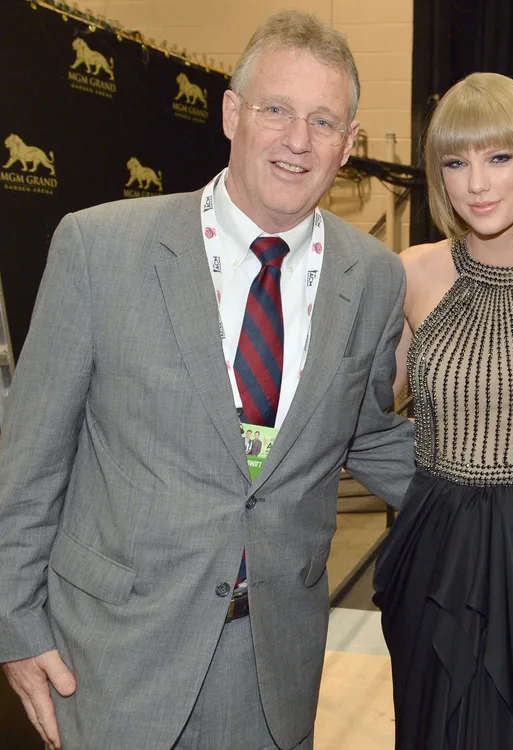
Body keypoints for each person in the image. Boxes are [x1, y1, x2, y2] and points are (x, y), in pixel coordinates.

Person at [0, 11, 414, 750]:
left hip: (270, 670)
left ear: (349, 145)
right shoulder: (101, 250)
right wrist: (15, 628)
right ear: (231, 112)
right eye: (276, 109)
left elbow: (370, 435)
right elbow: (28, 465)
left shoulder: (375, 277)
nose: (297, 140)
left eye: (324, 122)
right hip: (110, 661)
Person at [372, 72, 513, 749]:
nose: (477, 183)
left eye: (499, 157)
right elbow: (357, 415)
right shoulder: (412, 272)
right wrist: (419, 487)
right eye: (456, 162)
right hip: (435, 547)